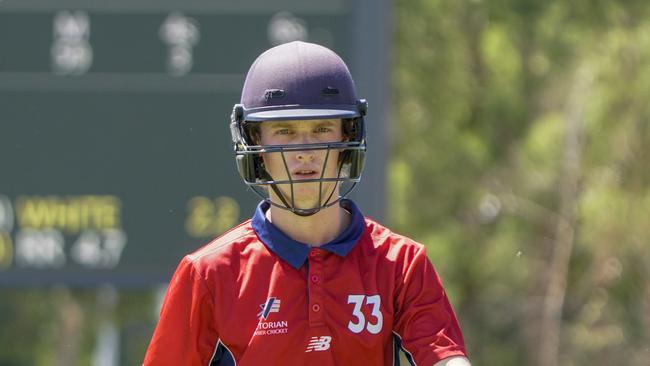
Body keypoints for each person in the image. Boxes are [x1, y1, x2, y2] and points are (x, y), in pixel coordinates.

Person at [143, 41, 470, 366]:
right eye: (284, 131)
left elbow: (444, 358)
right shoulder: (207, 274)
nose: (304, 150)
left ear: (347, 138)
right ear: (254, 142)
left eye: (321, 129)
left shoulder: (402, 264)